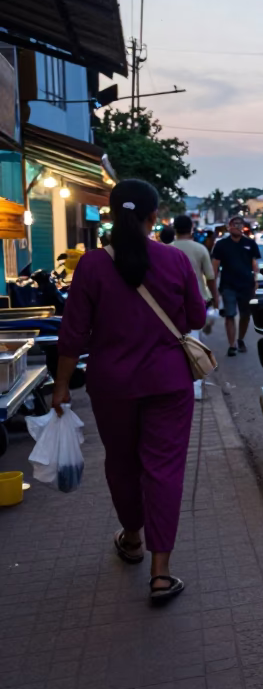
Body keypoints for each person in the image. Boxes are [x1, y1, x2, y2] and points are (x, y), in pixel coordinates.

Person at [53, 180, 206, 603]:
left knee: (121, 464)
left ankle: (133, 540)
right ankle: (161, 573)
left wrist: (62, 385)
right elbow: (194, 317)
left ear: (113, 212)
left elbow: (72, 333)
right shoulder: (174, 260)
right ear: (154, 217)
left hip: (111, 385)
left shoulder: (91, 265)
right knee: (164, 471)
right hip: (168, 383)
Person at [170, 214, 218, 399]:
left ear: (175, 229)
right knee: (195, 342)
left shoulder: (167, 249)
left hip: (173, 302)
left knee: (177, 343)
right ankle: (196, 388)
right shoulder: (200, 249)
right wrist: (215, 297)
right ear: (191, 229)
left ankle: (179, 382)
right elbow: (210, 277)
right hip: (198, 300)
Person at [211, 216, 260, 357]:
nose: (237, 227)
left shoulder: (250, 244)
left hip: (246, 285)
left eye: (240, 225)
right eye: (235, 224)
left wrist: (256, 281)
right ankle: (232, 345)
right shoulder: (221, 245)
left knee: (245, 315)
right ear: (229, 227)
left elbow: (254, 264)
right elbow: (215, 266)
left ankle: (240, 339)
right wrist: (213, 286)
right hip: (228, 285)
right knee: (230, 314)